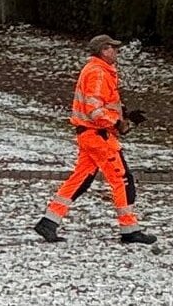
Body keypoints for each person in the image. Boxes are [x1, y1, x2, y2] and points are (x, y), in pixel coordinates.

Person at [35, 35, 155, 244]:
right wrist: (117, 123)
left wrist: (124, 117)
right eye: (113, 48)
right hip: (99, 136)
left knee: (80, 180)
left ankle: (49, 221)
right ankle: (129, 230)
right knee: (122, 179)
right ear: (103, 50)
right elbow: (95, 110)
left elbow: (103, 105)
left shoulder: (97, 71)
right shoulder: (99, 73)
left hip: (89, 135)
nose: (116, 52)